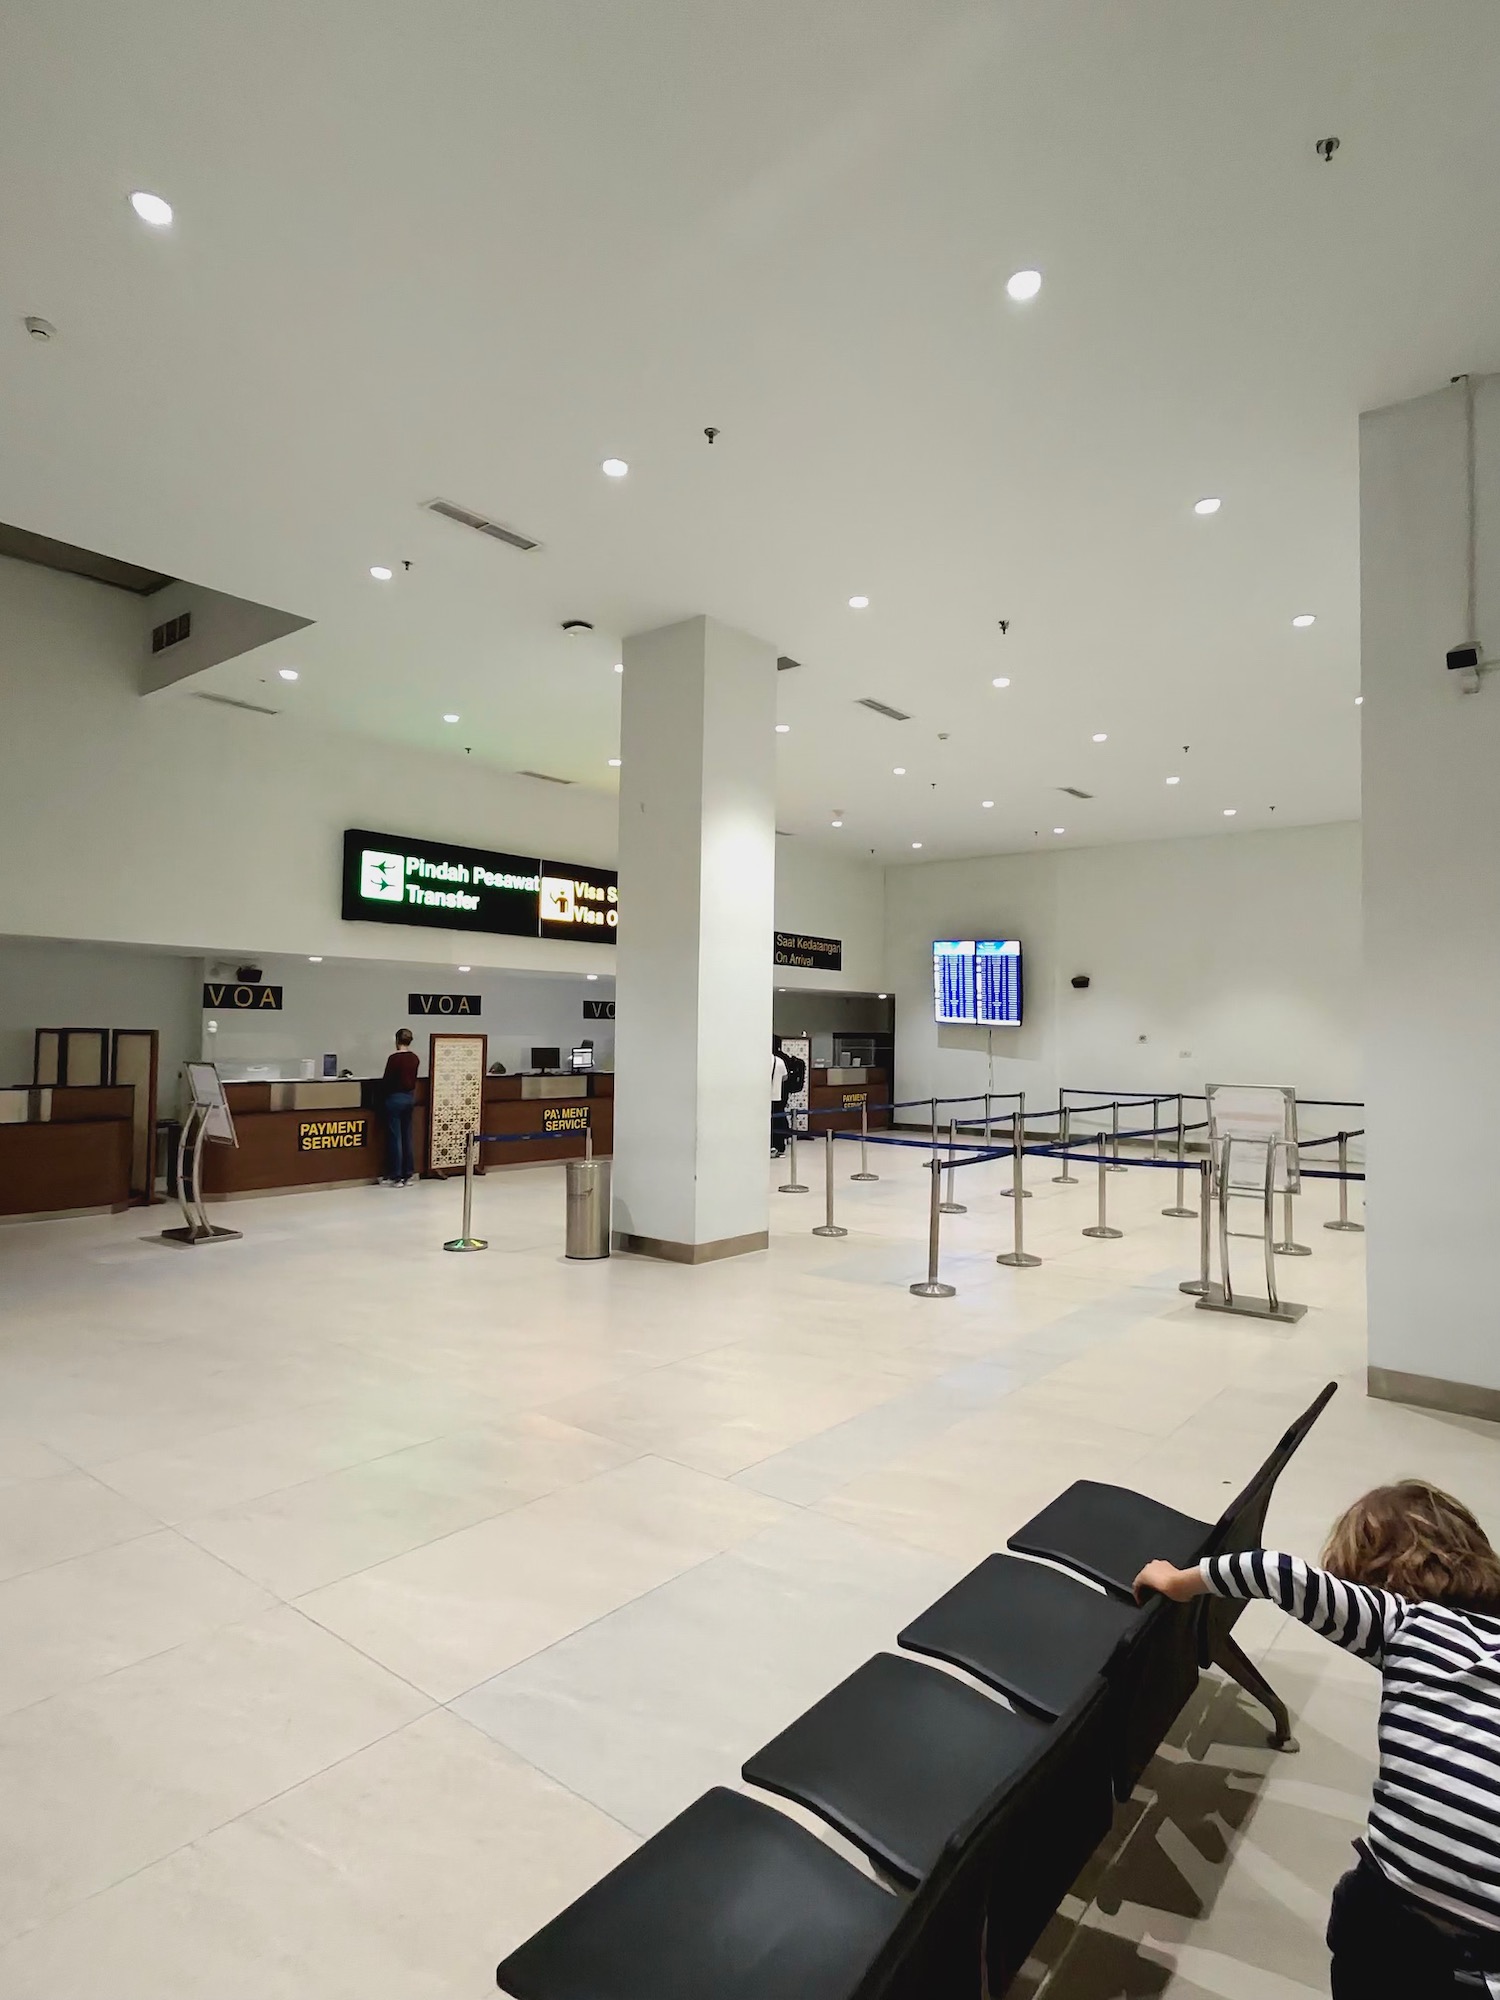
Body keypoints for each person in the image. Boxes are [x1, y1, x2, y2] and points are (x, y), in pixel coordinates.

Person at [1135, 1482, 1500, 1997]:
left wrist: (1174, 1582)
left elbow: (1274, 1572)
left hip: (1394, 1910)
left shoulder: (1405, 1622)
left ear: (1372, 1577)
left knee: (1362, 1909)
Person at [379, 1028, 419, 1186]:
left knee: (395, 1138)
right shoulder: (415, 1058)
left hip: (394, 1098)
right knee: (407, 1136)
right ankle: (408, 1174)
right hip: (409, 1098)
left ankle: (396, 1176)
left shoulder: (394, 1059)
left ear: (397, 1040)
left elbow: (387, 1081)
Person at [770, 1038, 789, 1158]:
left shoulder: (760, 1061)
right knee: (778, 1121)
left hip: (762, 1098)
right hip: (777, 1096)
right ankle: (779, 1147)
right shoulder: (779, 1061)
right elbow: (785, 1077)